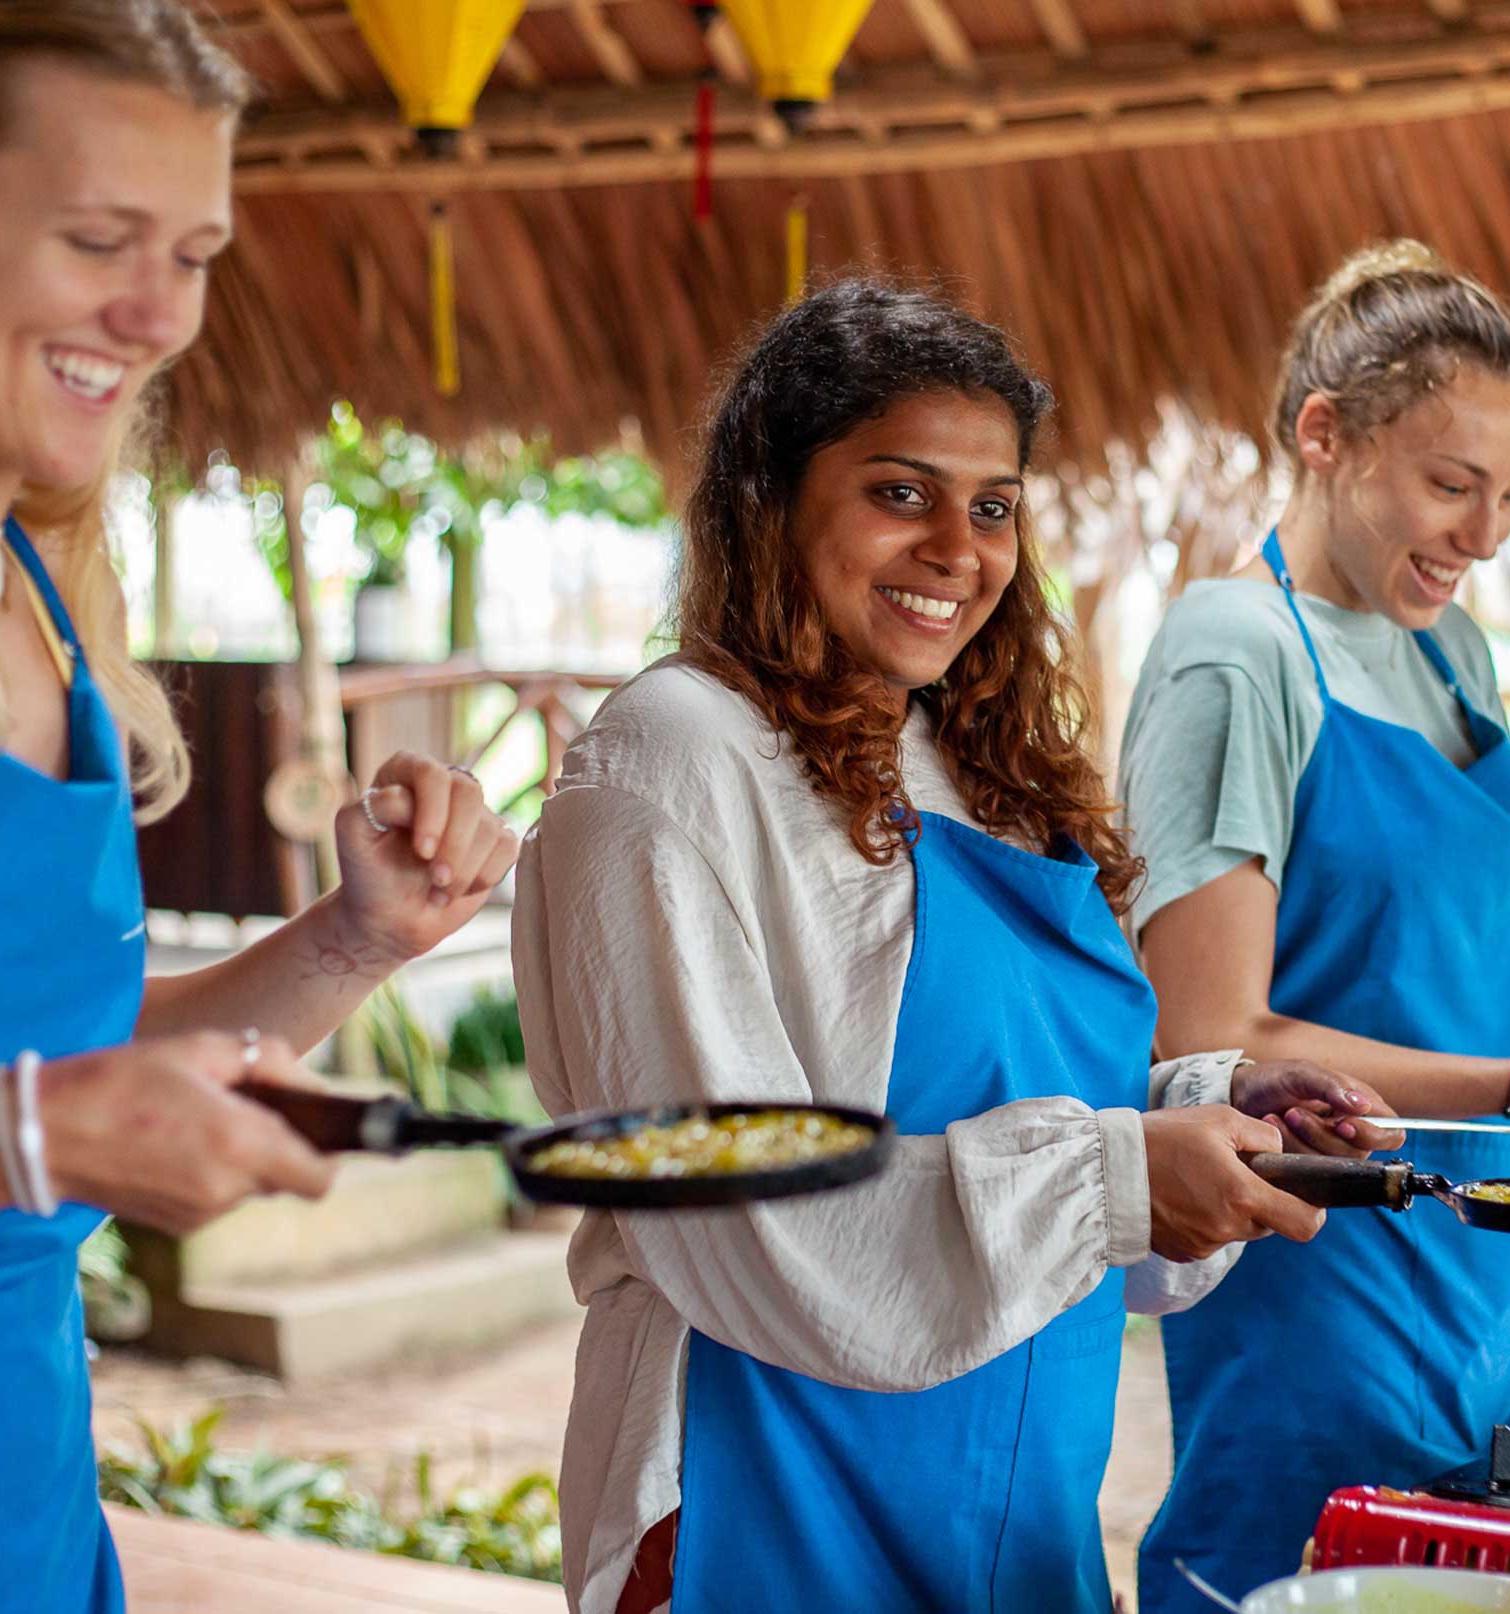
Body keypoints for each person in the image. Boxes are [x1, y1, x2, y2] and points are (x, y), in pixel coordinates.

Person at [0, 6, 519, 1609]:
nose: (158, 311)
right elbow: (21, 1118)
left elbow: (48, 1064)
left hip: (8, 1532)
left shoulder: (46, 599)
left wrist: (350, 941)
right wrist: (19, 1141)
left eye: (195, 249)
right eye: (99, 236)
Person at [511, 278, 1380, 1614]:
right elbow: (726, 1202)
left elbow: (1044, 1127)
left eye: (991, 507)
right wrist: (1112, 1176)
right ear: (772, 496)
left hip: (1014, 1494)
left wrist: (1206, 1113)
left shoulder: (976, 764)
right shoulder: (674, 759)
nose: (957, 548)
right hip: (769, 1484)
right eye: (899, 492)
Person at [1117, 241, 1510, 1613]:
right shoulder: (1236, 651)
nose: (1488, 534)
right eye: (1453, 484)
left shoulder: (1455, 649)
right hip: (1330, 1292)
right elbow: (1214, 1033)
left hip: (1506, 1285)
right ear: (1326, 436)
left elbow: (1441, 967)